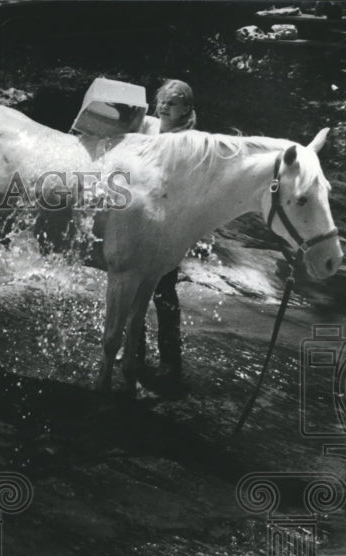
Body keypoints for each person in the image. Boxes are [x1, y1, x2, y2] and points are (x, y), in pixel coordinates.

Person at [138, 79, 197, 386]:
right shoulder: (147, 125)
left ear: (186, 108)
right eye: (161, 100)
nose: (163, 106)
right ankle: (134, 349)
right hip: (138, 219)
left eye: (172, 102)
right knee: (132, 289)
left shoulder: (187, 141)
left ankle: (170, 361)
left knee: (163, 293)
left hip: (167, 226)